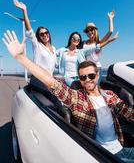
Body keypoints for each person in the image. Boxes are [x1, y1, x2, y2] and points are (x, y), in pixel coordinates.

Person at [3, 30, 134, 163]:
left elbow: (129, 113)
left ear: (98, 75)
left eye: (91, 76)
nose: (87, 79)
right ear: (80, 79)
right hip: (104, 155)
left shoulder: (110, 95)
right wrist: (21, 57)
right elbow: (52, 82)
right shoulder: (77, 99)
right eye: (83, 77)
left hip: (122, 147)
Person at [13, 0, 57, 75]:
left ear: (49, 34)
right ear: (38, 37)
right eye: (41, 34)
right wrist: (24, 10)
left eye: (46, 32)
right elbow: (30, 30)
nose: (44, 35)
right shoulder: (37, 45)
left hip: (49, 80)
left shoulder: (53, 48)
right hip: (39, 79)